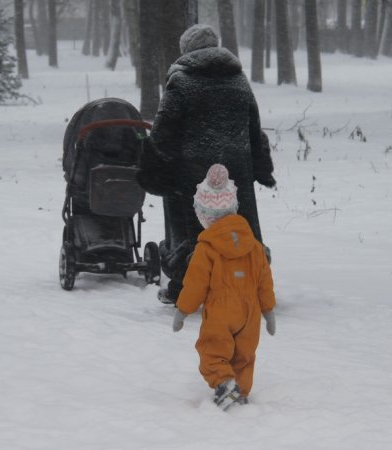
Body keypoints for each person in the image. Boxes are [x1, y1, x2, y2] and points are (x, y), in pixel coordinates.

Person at [137, 24, 276, 304]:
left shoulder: (182, 82)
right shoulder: (239, 81)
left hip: (193, 174)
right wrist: (260, 167)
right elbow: (254, 129)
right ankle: (250, 283)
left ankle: (184, 287)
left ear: (186, 49)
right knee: (241, 226)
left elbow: (164, 131)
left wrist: (152, 166)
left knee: (191, 230)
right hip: (236, 172)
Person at [171, 164, 276, 411]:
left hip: (221, 310)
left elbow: (195, 284)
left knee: (212, 350)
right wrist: (268, 311)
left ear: (205, 215)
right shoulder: (254, 245)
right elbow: (264, 280)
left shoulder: (206, 248)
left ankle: (225, 383)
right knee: (244, 355)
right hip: (249, 313)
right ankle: (240, 392)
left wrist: (183, 311)